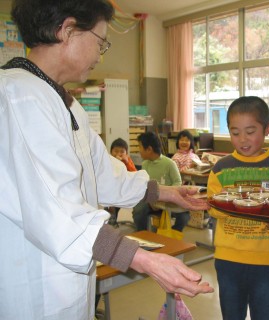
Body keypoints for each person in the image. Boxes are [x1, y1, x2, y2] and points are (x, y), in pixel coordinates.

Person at [0, 1, 213, 319]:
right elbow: (59, 213)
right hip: (33, 288)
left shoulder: (64, 103)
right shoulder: (20, 95)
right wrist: (143, 259)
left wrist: (166, 192)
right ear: (68, 30)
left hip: (65, 284)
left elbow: (101, 176)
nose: (101, 54)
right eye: (100, 42)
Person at [207, 96, 269, 320]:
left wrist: (253, 205)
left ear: (267, 128)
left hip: (268, 258)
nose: (242, 139)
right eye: (235, 132)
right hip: (229, 258)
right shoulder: (221, 167)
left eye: (250, 131)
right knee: (231, 315)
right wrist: (237, 205)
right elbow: (212, 206)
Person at [132, 132, 190, 232]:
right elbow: (145, 184)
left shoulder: (169, 163)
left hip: (169, 201)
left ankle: (173, 233)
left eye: (140, 147)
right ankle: (142, 234)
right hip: (151, 200)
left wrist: (167, 197)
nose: (139, 151)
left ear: (149, 149)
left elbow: (177, 183)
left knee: (184, 215)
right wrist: (151, 201)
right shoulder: (145, 164)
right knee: (138, 210)